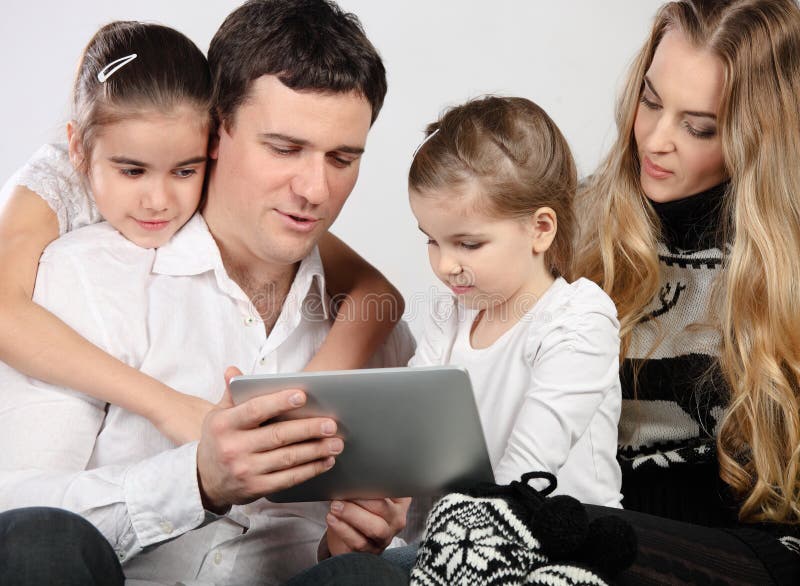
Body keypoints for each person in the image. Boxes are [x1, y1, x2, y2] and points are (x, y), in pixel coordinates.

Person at [0, 1, 416, 584]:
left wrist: (348, 544)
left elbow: (408, 529)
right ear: (214, 131)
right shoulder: (85, 274)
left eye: (342, 158)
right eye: (284, 148)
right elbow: (17, 515)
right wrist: (194, 479)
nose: (316, 190)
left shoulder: (373, 328)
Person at [572, 0, 800, 583]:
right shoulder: (576, 220)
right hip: (575, 535)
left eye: (698, 126)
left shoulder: (785, 271)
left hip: (741, 557)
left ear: (761, 136)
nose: (654, 139)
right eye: (650, 101)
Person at [407, 96, 622, 506]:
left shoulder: (578, 318)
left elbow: (527, 474)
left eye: (468, 244)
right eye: (432, 241)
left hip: (560, 541)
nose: (445, 264)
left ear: (540, 229)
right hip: (465, 534)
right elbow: (416, 436)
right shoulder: (449, 317)